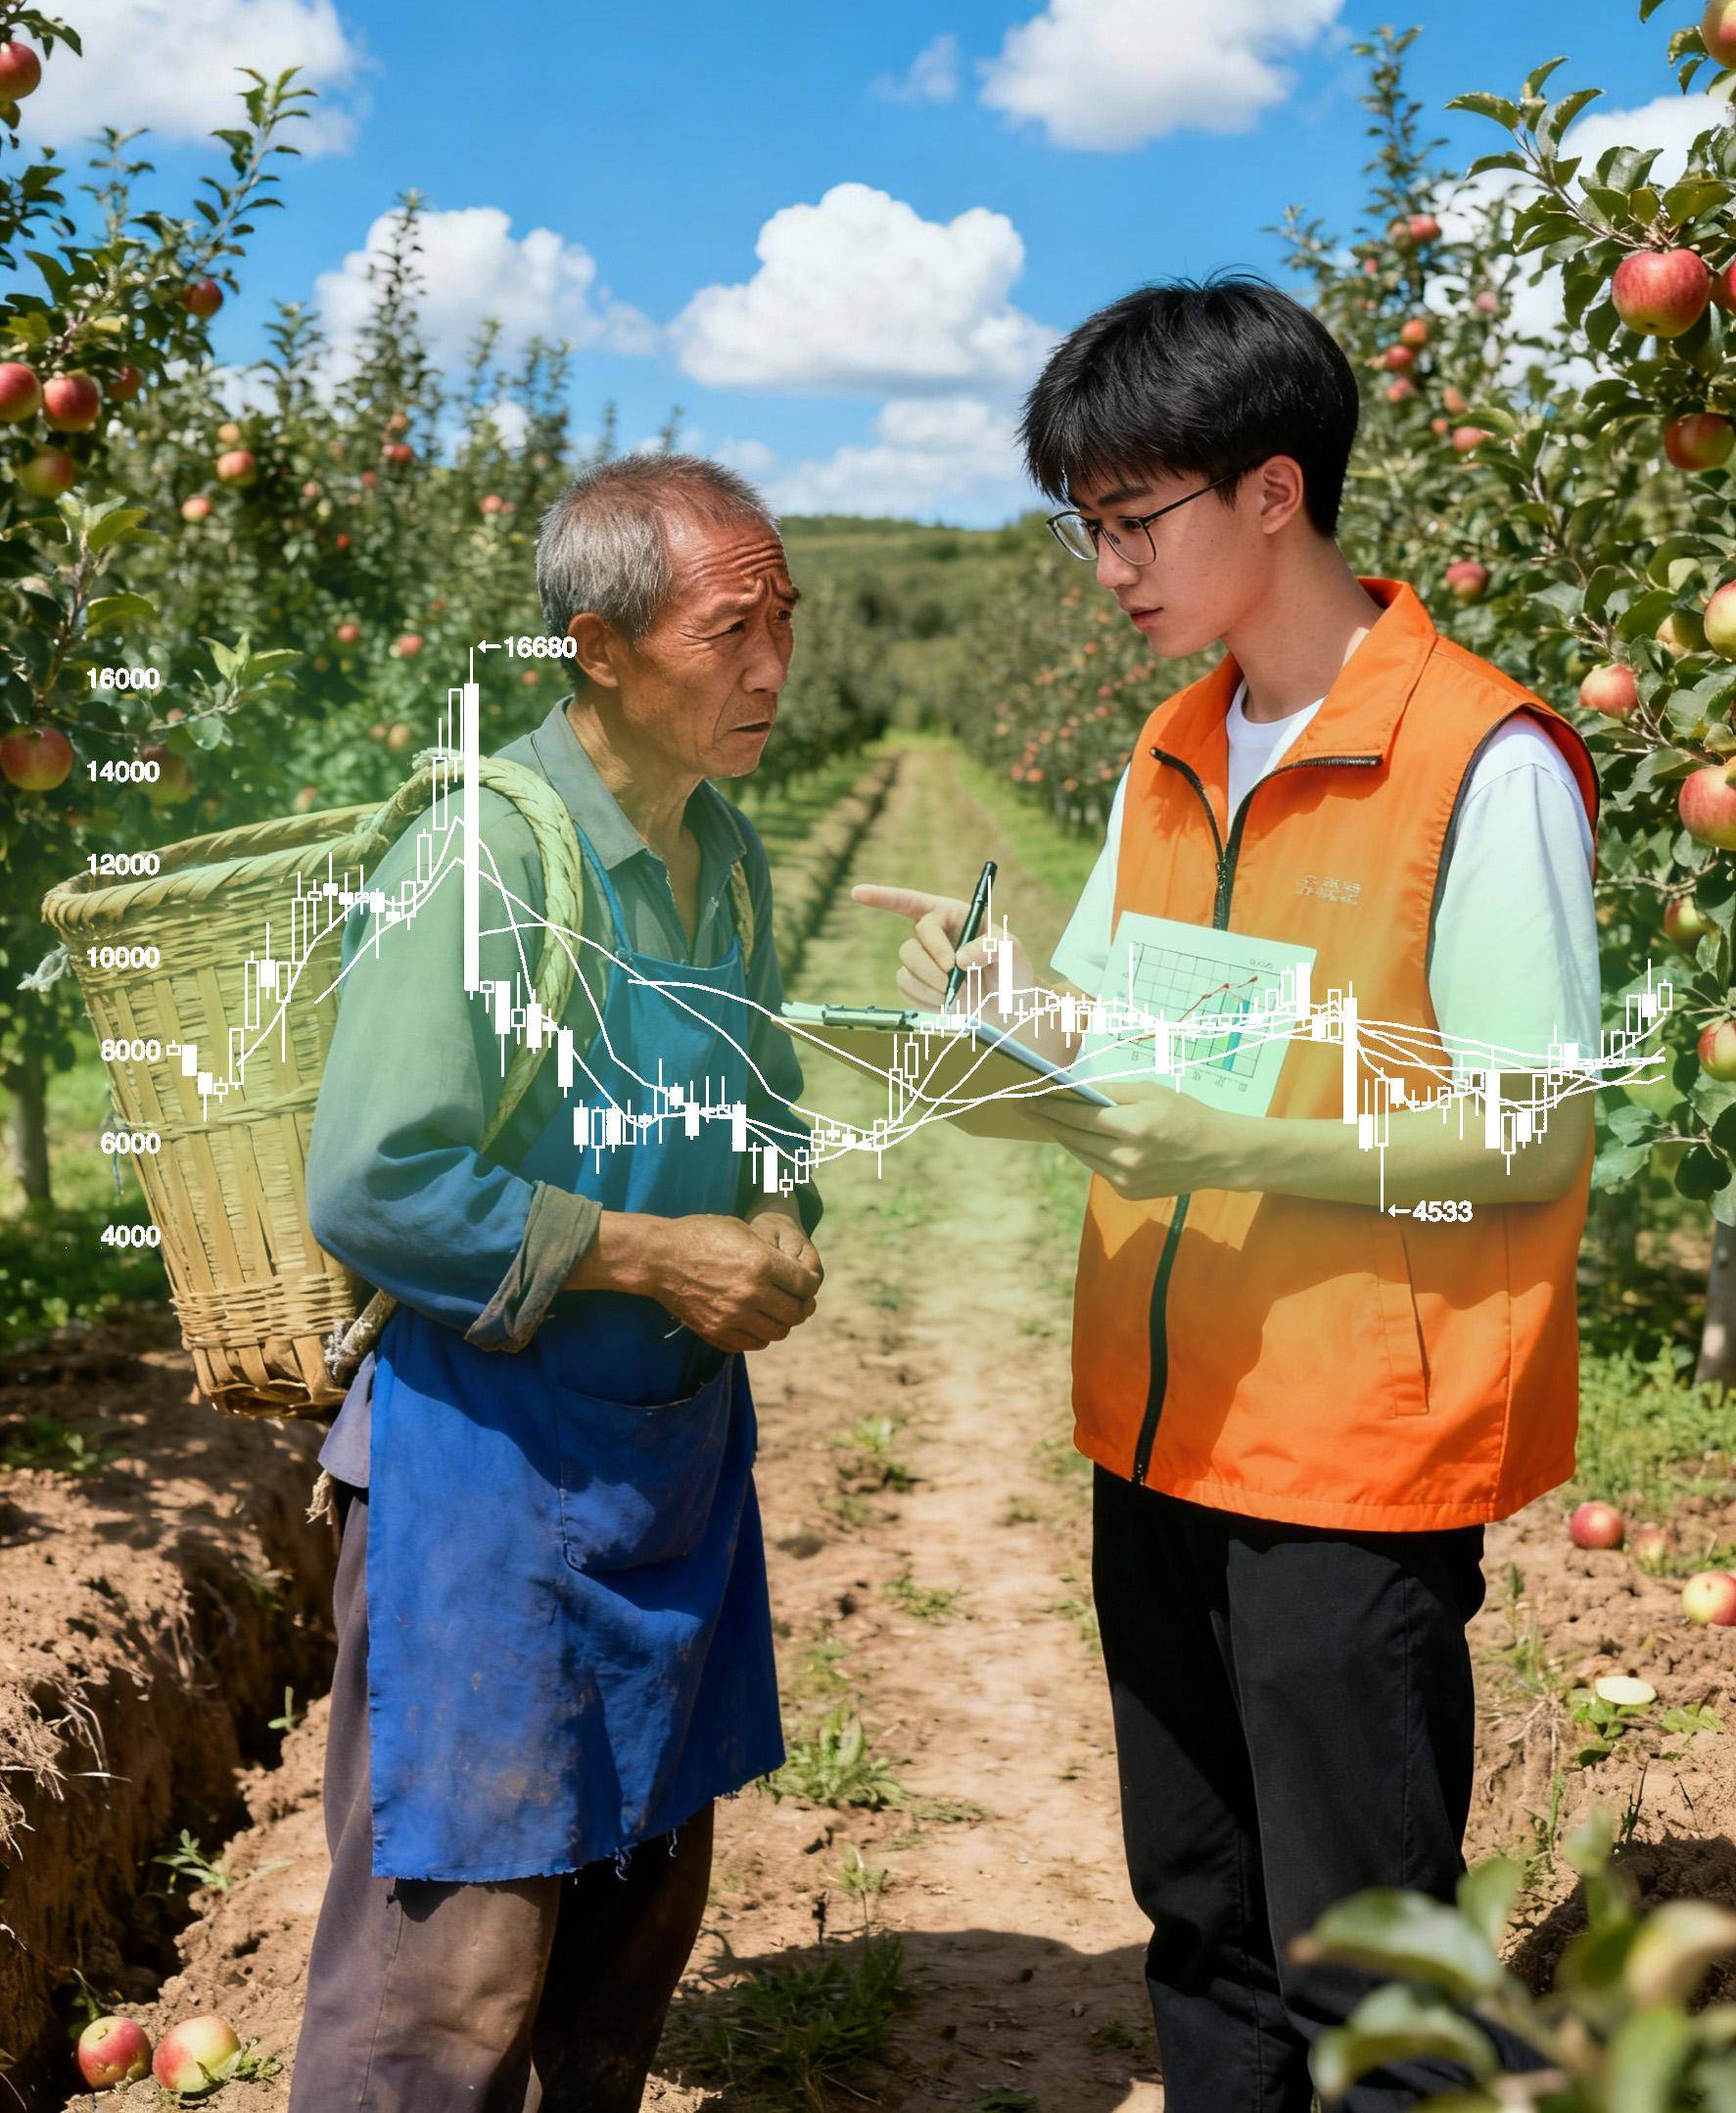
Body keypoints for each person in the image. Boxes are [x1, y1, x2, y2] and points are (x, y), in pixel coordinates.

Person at [855, 278, 1601, 2111]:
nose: (1103, 567)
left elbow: (1534, 1130)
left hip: (1350, 1451)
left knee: (1368, 1977)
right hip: (1157, 1428)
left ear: (1273, 492)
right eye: (1080, 528)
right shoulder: (1178, 745)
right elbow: (1133, 1038)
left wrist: (1238, 1152)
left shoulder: (1477, 761)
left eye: (1131, 521)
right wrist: (998, 1012)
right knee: (1198, 1921)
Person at [288, 454, 824, 2113]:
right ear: (598, 647)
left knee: (634, 1913)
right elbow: (375, 1178)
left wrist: (786, 1210)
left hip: (663, 1468)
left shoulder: (717, 853)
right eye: (730, 629)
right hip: (490, 1479)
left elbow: (756, 1107)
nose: (770, 667)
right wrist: (656, 1254)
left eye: (785, 622)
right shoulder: (487, 861)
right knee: (445, 1979)